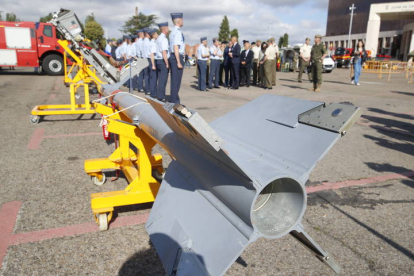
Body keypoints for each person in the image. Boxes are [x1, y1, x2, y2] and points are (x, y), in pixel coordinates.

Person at [169, 13, 185, 104]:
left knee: (174, 80)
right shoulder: (178, 32)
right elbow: (176, 47)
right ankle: (174, 102)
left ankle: (174, 100)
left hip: (173, 57)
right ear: (179, 21)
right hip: (176, 57)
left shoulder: (172, 32)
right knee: (176, 81)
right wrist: (178, 61)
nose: (183, 21)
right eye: (182, 20)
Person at [155, 22, 170, 101]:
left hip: (158, 60)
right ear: (164, 29)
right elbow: (164, 52)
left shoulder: (158, 38)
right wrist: (167, 63)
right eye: (167, 28)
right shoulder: (164, 39)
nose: (169, 29)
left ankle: (160, 95)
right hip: (162, 61)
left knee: (160, 79)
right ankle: (161, 96)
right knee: (163, 80)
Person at [148, 29, 158, 98]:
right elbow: (152, 54)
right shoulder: (153, 43)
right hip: (152, 60)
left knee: (152, 78)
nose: (157, 35)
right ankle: (153, 93)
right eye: (156, 33)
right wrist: (153, 64)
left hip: (150, 60)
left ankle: (153, 92)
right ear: (154, 35)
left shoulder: (151, 42)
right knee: (154, 78)